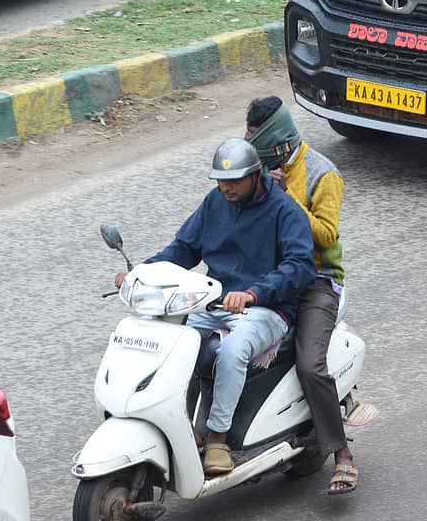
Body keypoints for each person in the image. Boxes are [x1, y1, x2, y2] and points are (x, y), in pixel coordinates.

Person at [114, 138, 316, 475]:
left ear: (256, 175)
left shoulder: (284, 211)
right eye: (221, 180)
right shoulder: (215, 203)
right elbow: (183, 249)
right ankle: (181, 425)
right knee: (170, 343)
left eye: (235, 180)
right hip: (213, 303)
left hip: (266, 309)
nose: (226, 187)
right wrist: (140, 274)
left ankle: (218, 437)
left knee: (233, 350)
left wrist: (253, 293)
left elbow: (300, 265)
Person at [245, 96, 358, 496]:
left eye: (256, 138)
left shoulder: (323, 174)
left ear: (278, 143)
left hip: (317, 282)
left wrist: (284, 198)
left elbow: (326, 235)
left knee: (310, 365)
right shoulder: (260, 170)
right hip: (270, 278)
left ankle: (341, 453)